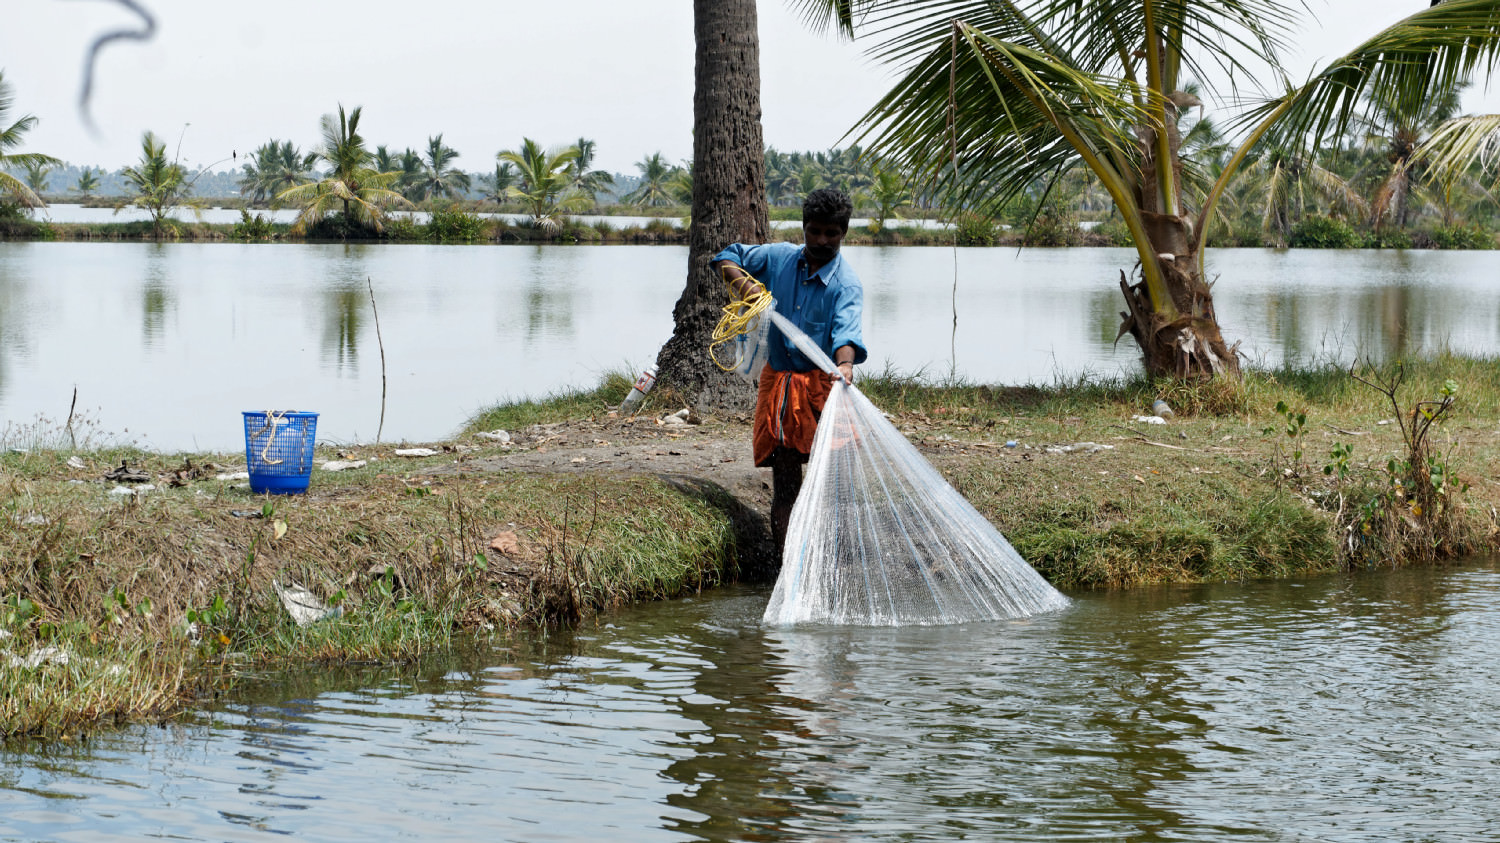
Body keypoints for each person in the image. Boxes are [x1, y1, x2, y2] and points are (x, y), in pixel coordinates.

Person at [711, 187, 867, 562]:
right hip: (781, 386)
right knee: (785, 482)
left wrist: (844, 365)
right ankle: (784, 565)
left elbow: (846, 335)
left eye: (832, 233)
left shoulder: (846, 284)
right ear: (804, 228)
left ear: (843, 233)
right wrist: (747, 287)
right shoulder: (779, 259)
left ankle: (836, 563)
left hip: (823, 389)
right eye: (815, 231)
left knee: (833, 485)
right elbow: (725, 257)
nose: (822, 240)